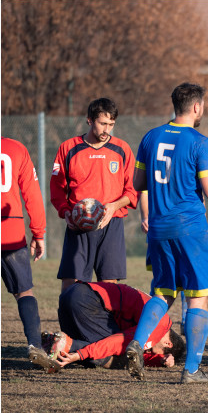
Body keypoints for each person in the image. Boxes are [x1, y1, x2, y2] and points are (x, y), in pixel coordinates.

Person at [126, 82, 208, 384]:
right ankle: (192, 370)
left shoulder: (151, 137)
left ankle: (136, 343)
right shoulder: (199, 141)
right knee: (198, 298)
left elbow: (139, 182)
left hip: (158, 228)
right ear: (197, 107)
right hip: (190, 229)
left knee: (162, 292)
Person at [50, 98, 138, 292]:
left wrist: (114, 206)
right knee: (71, 286)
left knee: (109, 287)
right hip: (78, 226)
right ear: (89, 120)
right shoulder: (68, 148)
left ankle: (103, 323)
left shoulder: (122, 149)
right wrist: (66, 212)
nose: (107, 129)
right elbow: (56, 188)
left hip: (111, 224)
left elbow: (132, 190)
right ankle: (69, 322)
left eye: (111, 124)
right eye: (103, 123)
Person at [1, 136, 55, 372]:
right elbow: (31, 193)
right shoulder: (16, 148)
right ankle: (35, 345)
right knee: (24, 291)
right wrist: (39, 232)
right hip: (10, 230)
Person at [46, 281, 185, 371]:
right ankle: (66, 346)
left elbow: (135, 353)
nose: (149, 352)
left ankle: (49, 346)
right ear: (168, 343)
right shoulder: (157, 327)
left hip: (73, 293)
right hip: (88, 302)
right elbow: (117, 344)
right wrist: (80, 353)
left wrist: (158, 360)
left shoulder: (159, 317)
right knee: (114, 358)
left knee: (95, 356)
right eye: (154, 352)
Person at [139, 190, 188, 333]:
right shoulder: (156, 167)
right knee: (165, 279)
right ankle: (148, 319)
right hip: (169, 228)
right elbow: (145, 191)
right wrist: (145, 217)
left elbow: (144, 191)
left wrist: (145, 217)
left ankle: (149, 320)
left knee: (178, 278)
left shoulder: (154, 166)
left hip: (172, 228)